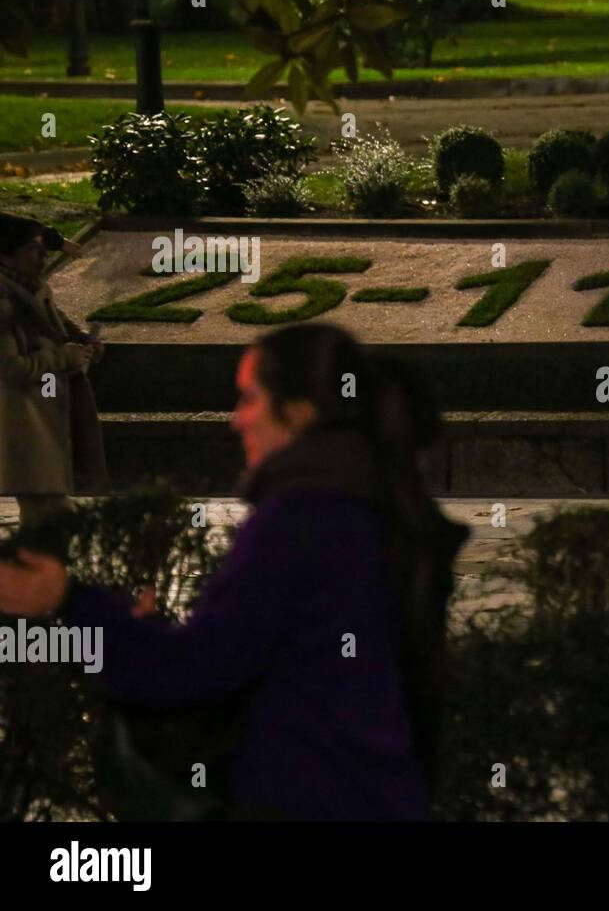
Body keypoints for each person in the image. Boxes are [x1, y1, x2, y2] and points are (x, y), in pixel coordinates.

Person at [0, 324, 469, 820]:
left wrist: (68, 599)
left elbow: (193, 671)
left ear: (297, 412)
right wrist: (146, 632)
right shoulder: (377, 502)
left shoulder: (298, 522)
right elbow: (258, 651)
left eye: (249, 399)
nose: (234, 420)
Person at [0, 213, 104, 527]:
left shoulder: (33, 290)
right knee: (47, 522)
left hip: (47, 423)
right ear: (6, 255)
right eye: (34, 248)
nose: (44, 254)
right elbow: (11, 368)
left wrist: (86, 343)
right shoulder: (5, 302)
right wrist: (63, 358)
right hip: (24, 426)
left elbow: (60, 329)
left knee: (50, 521)